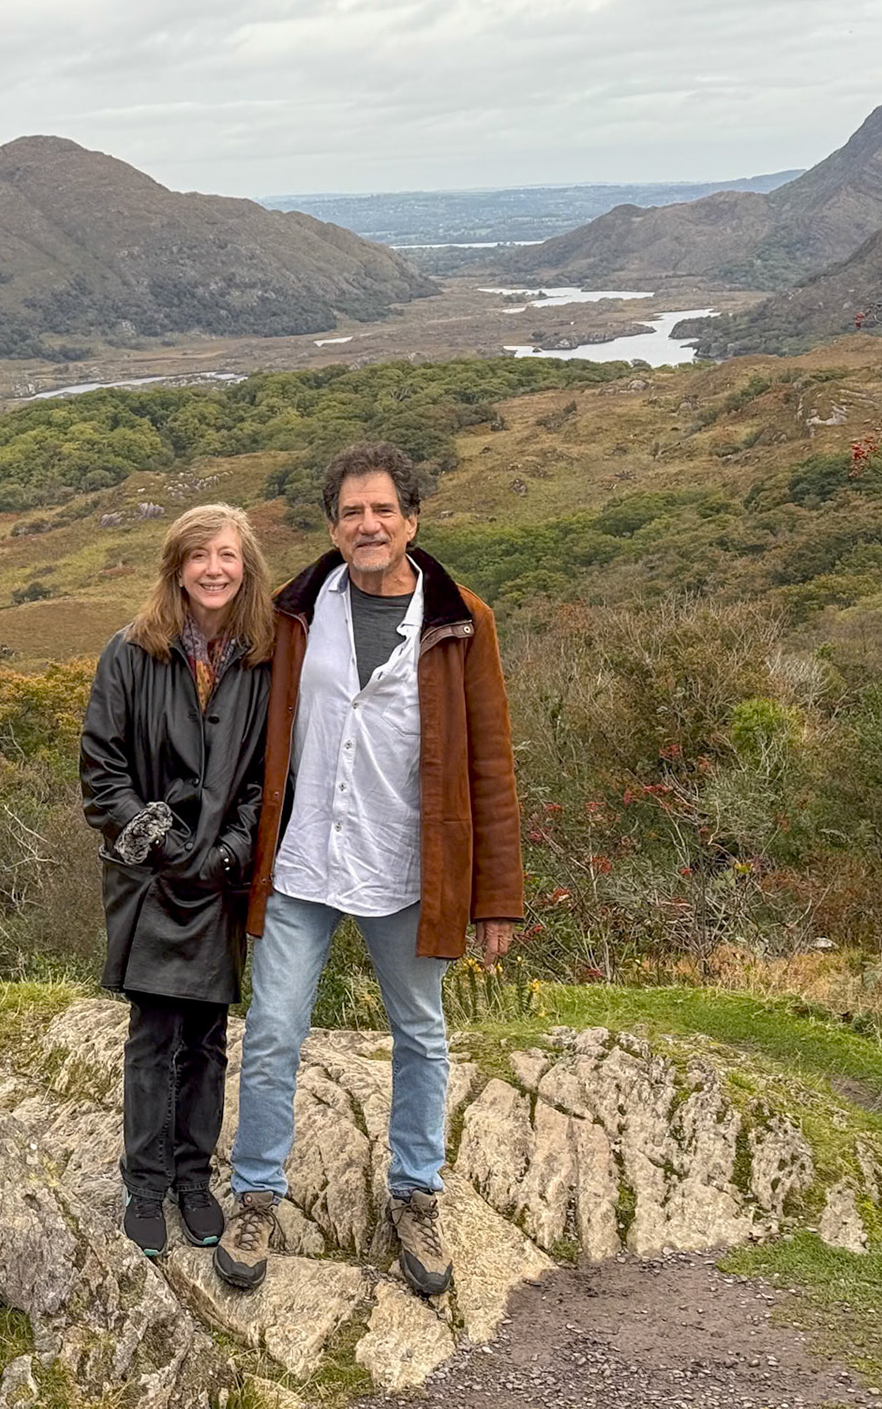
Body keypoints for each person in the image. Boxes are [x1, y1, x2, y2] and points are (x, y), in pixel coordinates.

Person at [215, 442, 523, 1297]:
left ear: (412, 520)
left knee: (421, 1033)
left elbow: (491, 764)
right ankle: (256, 1196)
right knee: (274, 1030)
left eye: (383, 509)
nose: (368, 524)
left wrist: (495, 897)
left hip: (404, 869)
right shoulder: (295, 612)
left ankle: (418, 1195)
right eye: (352, 512)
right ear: (333, 526)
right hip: (304, 861)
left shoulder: (462, 620)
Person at [80, 503, 274, 1257]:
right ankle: (145, 1183)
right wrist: (166, 846)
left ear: (245, 566)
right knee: (153, 1034)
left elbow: (271, 776)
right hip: (151, 880)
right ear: (177, 568)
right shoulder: (130, 653)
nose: (214, 570)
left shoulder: (264, 660)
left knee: (208, 1039)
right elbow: (104, 773)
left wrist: (227, 852)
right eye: (199, 557)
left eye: (226, 555)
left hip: (223, 878)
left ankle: (194, 1181)